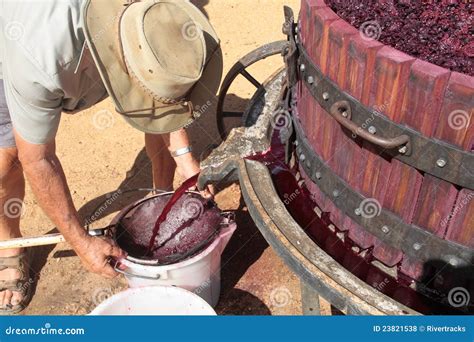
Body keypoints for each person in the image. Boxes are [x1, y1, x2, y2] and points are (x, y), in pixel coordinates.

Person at [0, 0, 222, 314]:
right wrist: (81, 242)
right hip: (10, 45)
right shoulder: (39, 60)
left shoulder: (150, 17)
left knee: (155, 106)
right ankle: (8, 241)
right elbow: (38, 158)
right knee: (7, 159)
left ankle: (161, 195)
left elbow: (163, 105)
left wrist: (187, 163)